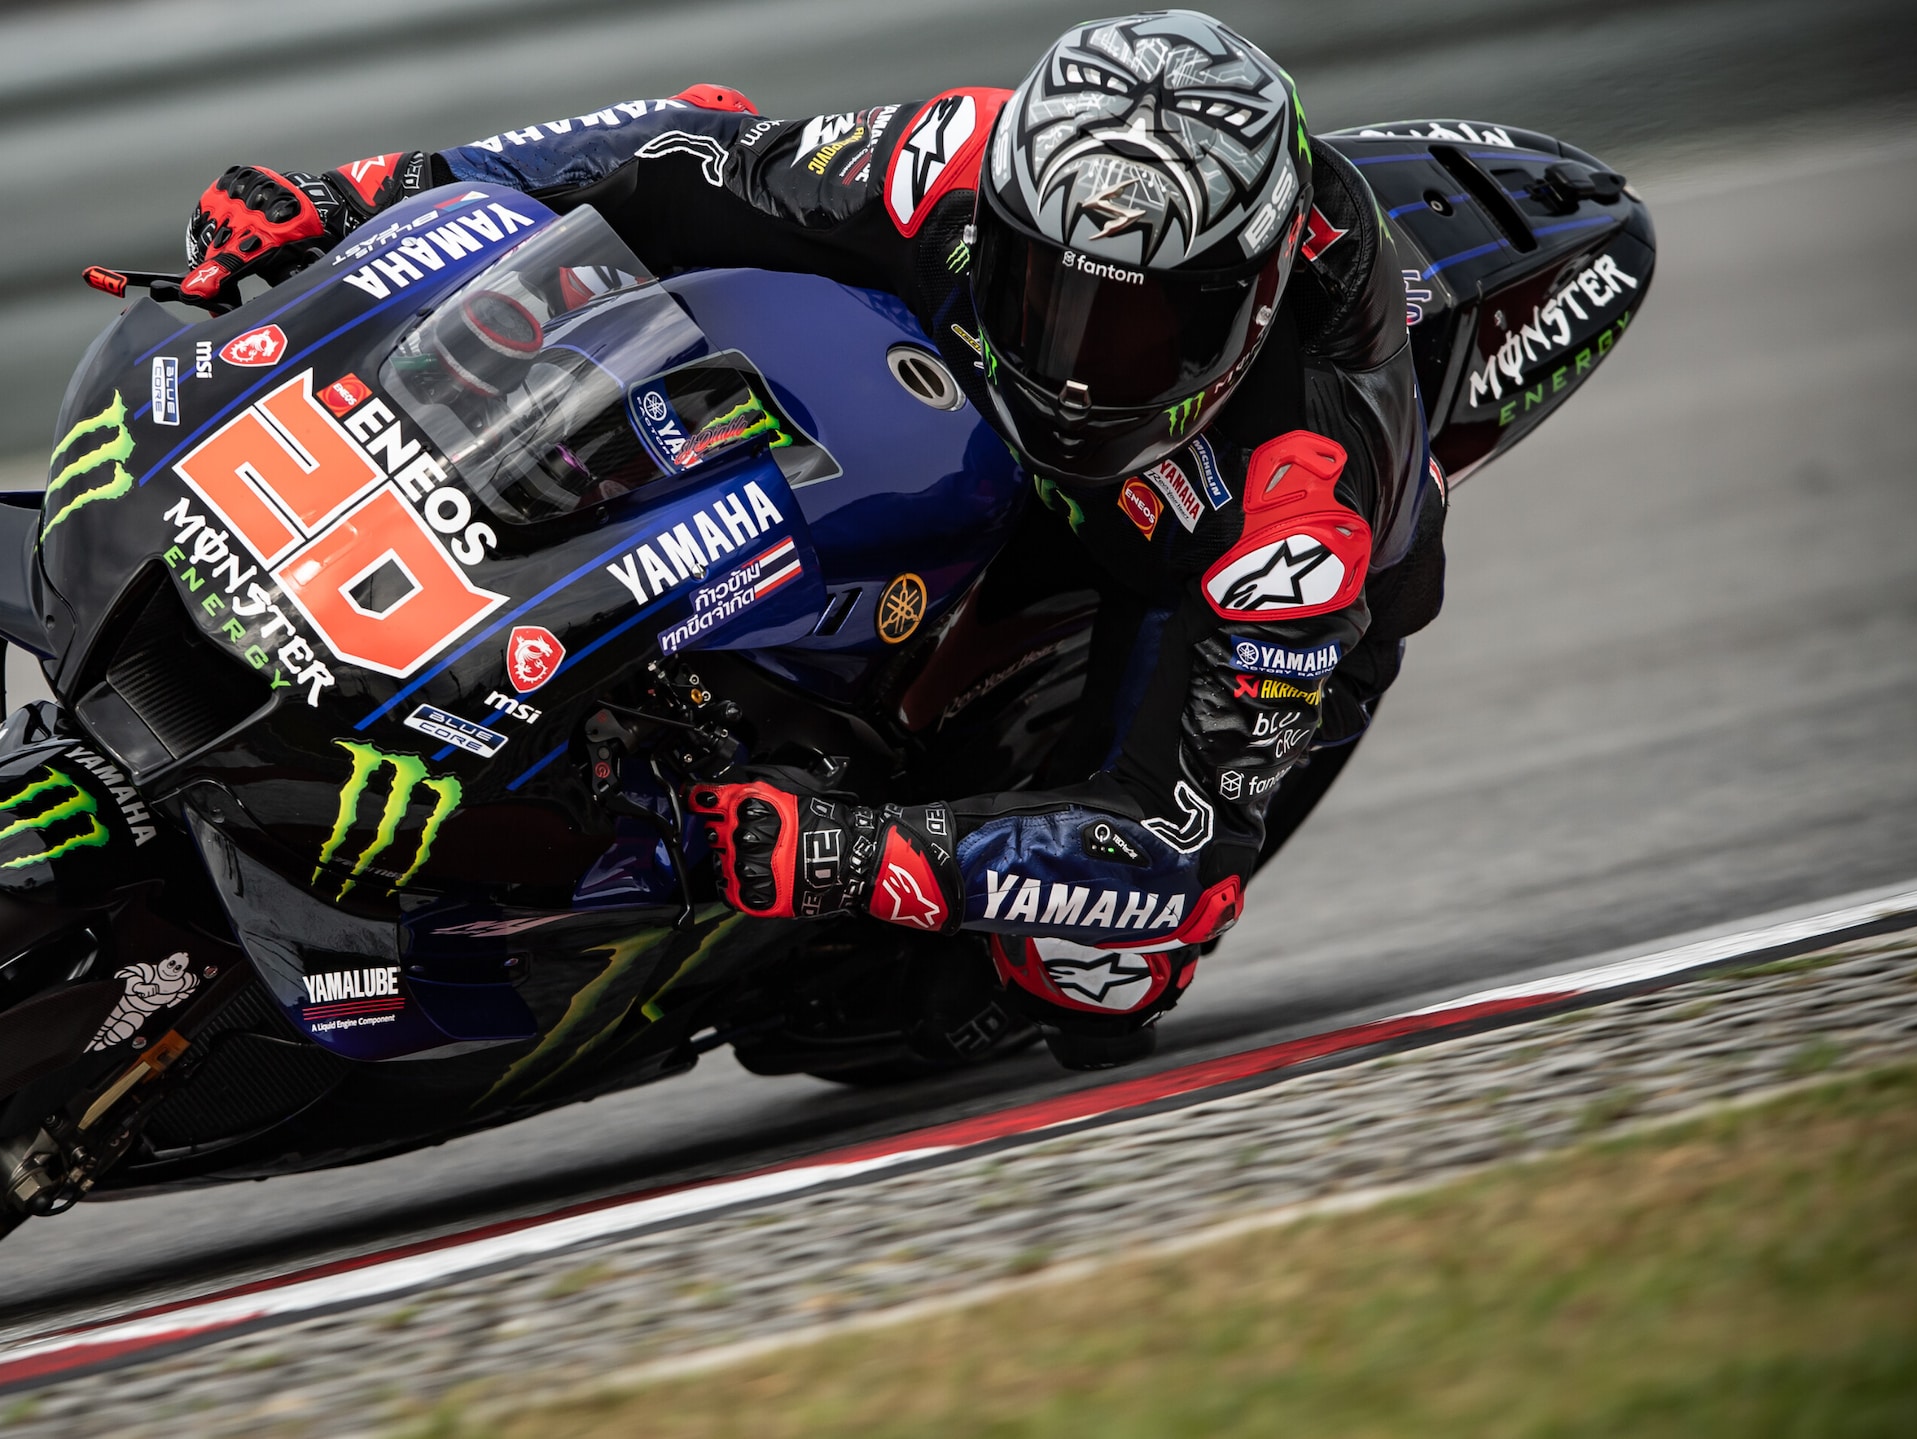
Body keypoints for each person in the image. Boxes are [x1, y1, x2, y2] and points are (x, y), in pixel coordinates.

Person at [177, 9, 1445, 1068]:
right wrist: (363, 189)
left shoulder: (1301, 502)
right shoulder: (951, 161)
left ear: (1247, 306)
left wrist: (857, 855)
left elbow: (1171, 849)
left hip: (1181, 565)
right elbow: (681, 153)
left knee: (1089, 976)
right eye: (1044, 291)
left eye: (1135, 331)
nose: (1073, 360)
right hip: (964, 432)